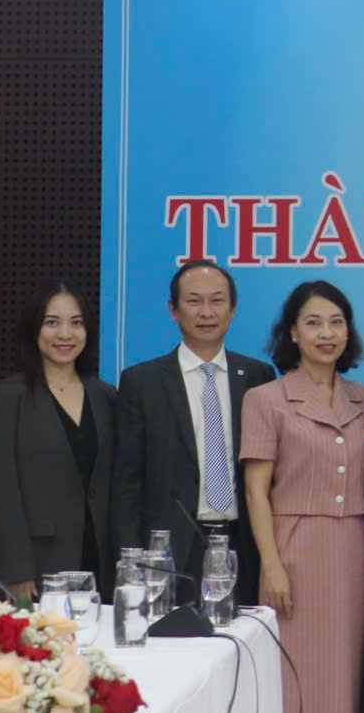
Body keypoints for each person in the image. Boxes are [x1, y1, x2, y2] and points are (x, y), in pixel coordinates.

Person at [241, 280, 364, 713]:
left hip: (354, 544)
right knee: (298, 687)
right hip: (294, 546)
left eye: (336, 322)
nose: (327, 333)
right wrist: (271, 563)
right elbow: (255, 488)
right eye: (314, 322)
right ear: (291, 332)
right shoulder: (268, 399)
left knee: (340, 686)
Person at [111, 260, 276, 606]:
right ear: (173, 309)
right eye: (193, 301)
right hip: (170, 549)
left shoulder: (258, 377)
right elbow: (127, 482)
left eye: (217, 301)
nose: (206, 312)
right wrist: (132, 560)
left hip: (242, 543)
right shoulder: (143, 382)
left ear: (233, 309)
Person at [0, 285, 116, 597]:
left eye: (76, 322)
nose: (65, 334)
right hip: (38, 563)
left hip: (98, 555)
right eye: (52, 322)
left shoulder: (105, 395)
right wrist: (17, 570)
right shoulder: (7, 395)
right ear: (34, 329)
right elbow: (2, 489)